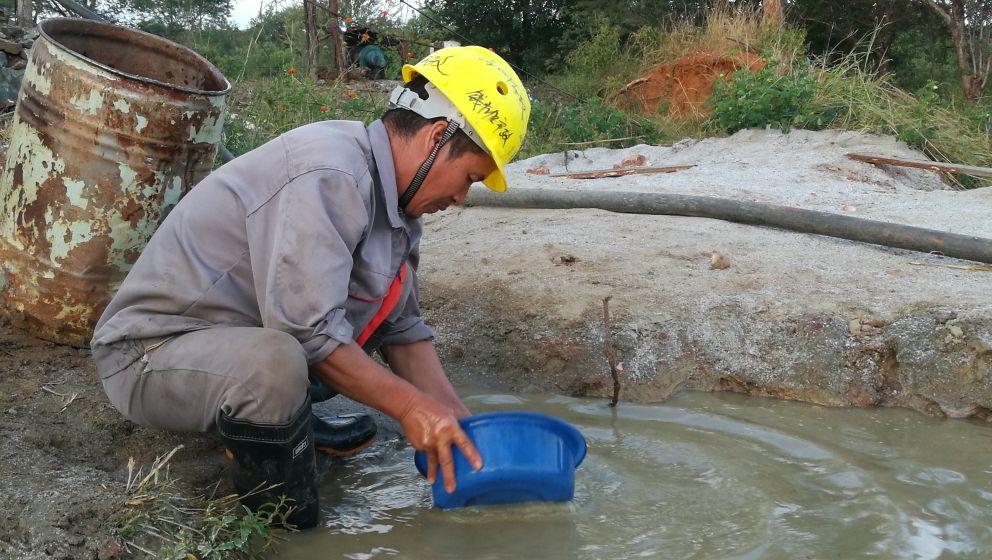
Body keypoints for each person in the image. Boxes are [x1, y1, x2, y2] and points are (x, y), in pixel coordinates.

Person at [90, 46, 530, 529]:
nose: (461, 198)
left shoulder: (401, 210)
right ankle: (285, 527)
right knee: (276, 364)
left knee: (334, 337)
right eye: (469, 177)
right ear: (437, 137)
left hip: (238, 339)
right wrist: (409, 407)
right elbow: (306, 333)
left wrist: (460, 425)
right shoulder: (329, 174)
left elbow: (402, 329)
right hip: (152, 353)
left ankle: (283, 423)